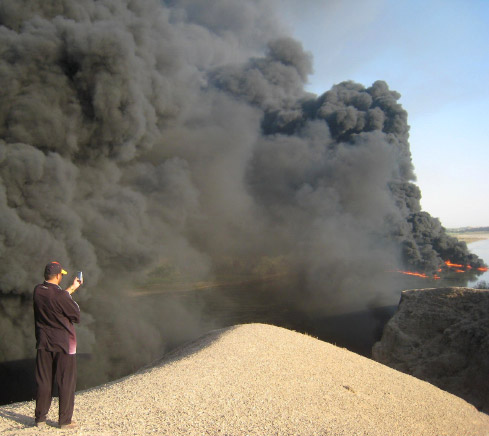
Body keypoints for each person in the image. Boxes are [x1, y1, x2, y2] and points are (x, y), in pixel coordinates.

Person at [33, 261, 83, 429]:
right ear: (57, 276)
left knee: (44, 380)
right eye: (61, 274)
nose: (62, 276)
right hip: (64, 345)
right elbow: (75, 315)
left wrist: (72, 288)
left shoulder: (38, 291)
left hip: (43, 342)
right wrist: (70, 292)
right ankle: (65, 421)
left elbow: (57, 298)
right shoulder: (61, 296)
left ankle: (40, 418)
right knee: (66, 381)